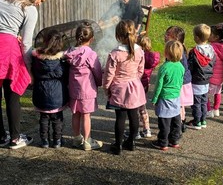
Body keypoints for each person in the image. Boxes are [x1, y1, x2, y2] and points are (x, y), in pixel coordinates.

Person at [0, 0, 49, 149]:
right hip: (8, 49)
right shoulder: (29, 9)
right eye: (41, 0)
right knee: (12, 93)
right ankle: (15, 139)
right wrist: (29, 70)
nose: (39, 4)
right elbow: (27, 44)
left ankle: (1, 136)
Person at [103, 20, 146, 155]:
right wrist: (135, 80)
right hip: (134, 87)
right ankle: (131, 142)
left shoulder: (115, 53)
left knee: (120, 118)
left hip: (119, 88)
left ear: (118, 36)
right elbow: (141, 70)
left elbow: (109, 74)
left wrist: (107, 88)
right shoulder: (139, 51)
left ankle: (118, 145)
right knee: (134, 116)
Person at [64, 22, 103, 151]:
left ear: (76, 37)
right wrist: (99, 82)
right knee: (86, 115)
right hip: (87, 90)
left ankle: (76, 138)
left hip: (74, 90)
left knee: (76, 114)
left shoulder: (69, 52)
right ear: (91, 39)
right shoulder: (91, 54)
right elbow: (97, 71)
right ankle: (87, 140)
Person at [31, 30, 69, 148]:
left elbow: (33, 71)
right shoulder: (60, 60)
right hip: (57, 94)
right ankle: (57, 141)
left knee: (44, 118)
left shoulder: (36, 58)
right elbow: (63, 74)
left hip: (41, 92)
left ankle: (45, 141)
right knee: (57, 119)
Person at [151, 40, 185, 151]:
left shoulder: (164, 67)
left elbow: (159, 85)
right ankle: (174, 140)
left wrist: (155, 98)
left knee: (164, 122)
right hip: (176, 97)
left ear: (166, 53)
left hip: (165, 97)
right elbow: (181, 82)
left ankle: (162, 142)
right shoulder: (181, 67)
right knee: (176, 119)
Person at [164, 26, 193, 133]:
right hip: (184, 82)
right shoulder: (180, 48)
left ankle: (178, 126)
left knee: (178, 105)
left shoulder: (176, 53)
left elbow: (174, 70)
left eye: (168, 34)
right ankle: (182, 123)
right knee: (181, 105)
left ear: (175, 38)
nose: (165, 36)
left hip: (180, 83)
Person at [187, 24, 215, 130]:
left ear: (197, 38)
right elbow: (213, 62)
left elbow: (191, 66)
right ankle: (203, 120)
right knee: (204, 100)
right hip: (206, 80)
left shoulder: (194, 52)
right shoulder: (211, 50)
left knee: (196, 102)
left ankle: (197, 121)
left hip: (196, 80)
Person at [136, 35, 160, 138]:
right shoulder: (152, 57)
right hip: (145, 85)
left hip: (137, 84)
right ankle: (147, 129)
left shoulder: (138, 56)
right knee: (143, 107)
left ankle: (136, 131)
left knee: (135, 109)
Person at [206, 25, 223, 118]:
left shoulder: (211, 47)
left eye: (210, 34)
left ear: (216, 37)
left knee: (205, 93)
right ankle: (216, 109)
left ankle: (208, 110)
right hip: (219, 77)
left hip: (211, 75)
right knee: (217, 92)